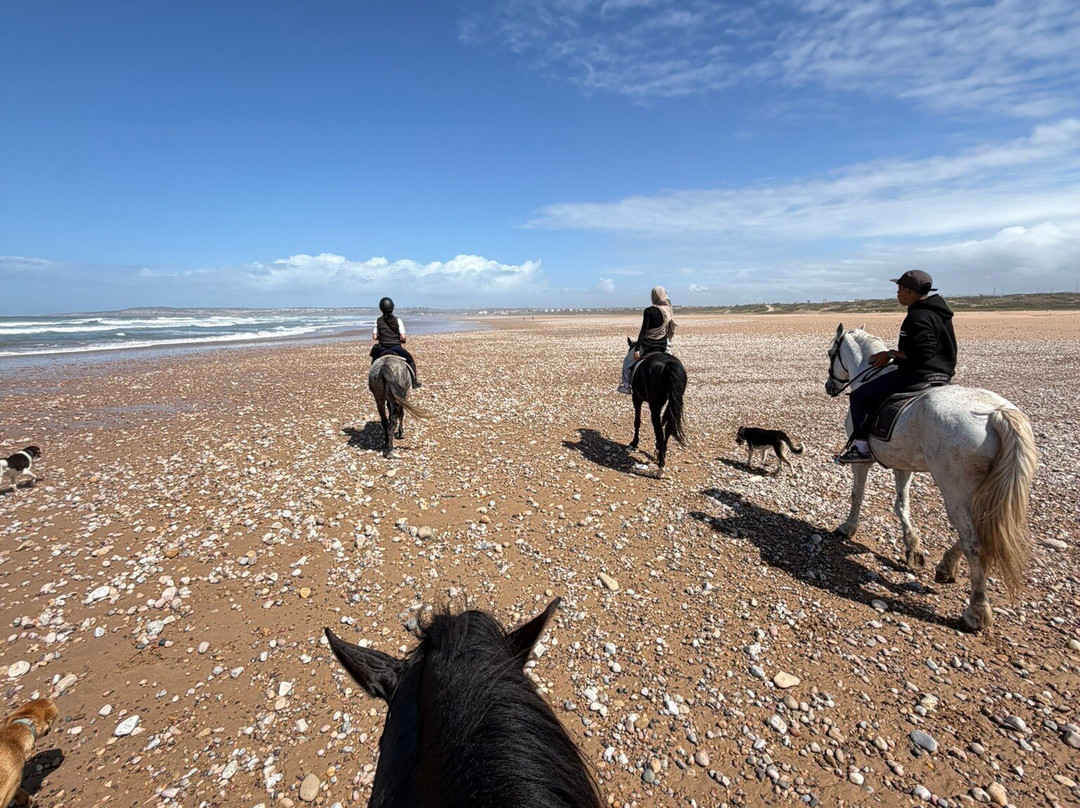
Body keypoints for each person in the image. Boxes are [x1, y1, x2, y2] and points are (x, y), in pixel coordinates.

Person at [835, 270, 956, 463]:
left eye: (900, 289)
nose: (897, 293)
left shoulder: (918, 316)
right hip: (943, 374)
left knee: (859, 396)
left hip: (919, 374)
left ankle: (861, 448)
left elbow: (922, 353)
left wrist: (890, 354)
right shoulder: (940, 313)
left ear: (908, 291)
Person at [618, 286, 676, 394]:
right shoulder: (668, 310)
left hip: (648, 344)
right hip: (663, 344)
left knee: (627, 363)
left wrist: (637, 349)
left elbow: (644, 331)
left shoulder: (649, 311)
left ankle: (626, 386)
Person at [370, 297, 422, 388]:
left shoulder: (377, 320)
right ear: (392, 307)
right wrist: (402, 340)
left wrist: (382, 337)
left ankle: (372, 382)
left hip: (382, 347)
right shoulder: (398, 320)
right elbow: (403, 337)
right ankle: (414, 381)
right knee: (411, 360)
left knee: (374, 361)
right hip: (395, 347)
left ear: (380, 308)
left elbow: (374, 337)